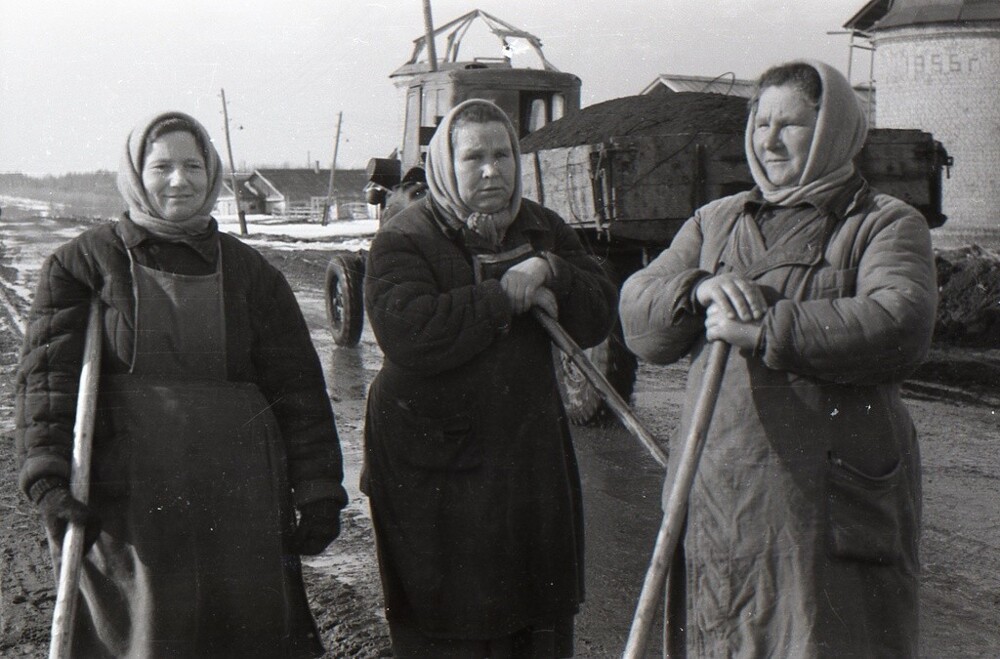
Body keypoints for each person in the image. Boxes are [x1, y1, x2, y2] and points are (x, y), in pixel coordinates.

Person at [619, 60, 936, 657]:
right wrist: (694, 288)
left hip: (825, 502)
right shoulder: (716, 222)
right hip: (721, 492)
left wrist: (767, 326)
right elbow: (639, 316)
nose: (768, 140)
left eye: (790, 124)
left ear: (831, 130)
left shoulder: (883, 224)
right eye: (761, 122)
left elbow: (901, 321)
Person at [15, 111, 347, 657]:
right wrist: (46, 475)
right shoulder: (84, 262)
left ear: (213, 172)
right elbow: (47, 383)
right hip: (131, 501)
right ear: (135, 173)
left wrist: (317, 491)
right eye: (162, 166)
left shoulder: (252, 273)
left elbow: (299, 392)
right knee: (144, 637)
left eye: (193, 165)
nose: (179, 180)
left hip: (240, 501)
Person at [361, 98, 618, 658]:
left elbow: (598, 315)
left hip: (527, 454)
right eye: (473, 156)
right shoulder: (405, 238)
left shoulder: (541, 226)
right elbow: (410, 333)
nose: (491, 169)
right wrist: (504, 294)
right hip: (434, 465)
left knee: (536, 613)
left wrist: (552, 269)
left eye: (502, 154)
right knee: (454, 617)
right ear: (444, 166)